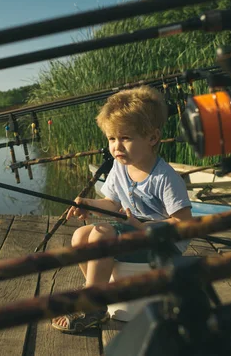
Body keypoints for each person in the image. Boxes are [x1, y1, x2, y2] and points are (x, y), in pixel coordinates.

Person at [51, 85, 193, 334]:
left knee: (102, 234)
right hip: (134, 238)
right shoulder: (120, 167)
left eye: (125, 138)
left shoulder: (165, 178)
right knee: (80, 236)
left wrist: (144, 227)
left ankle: (94, 307)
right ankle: (93, 288)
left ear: (152, 137)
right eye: (111, 139)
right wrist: (89, 204)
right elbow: (112, 204)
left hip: (162, 245)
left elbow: (183, 225)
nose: (116, 147)